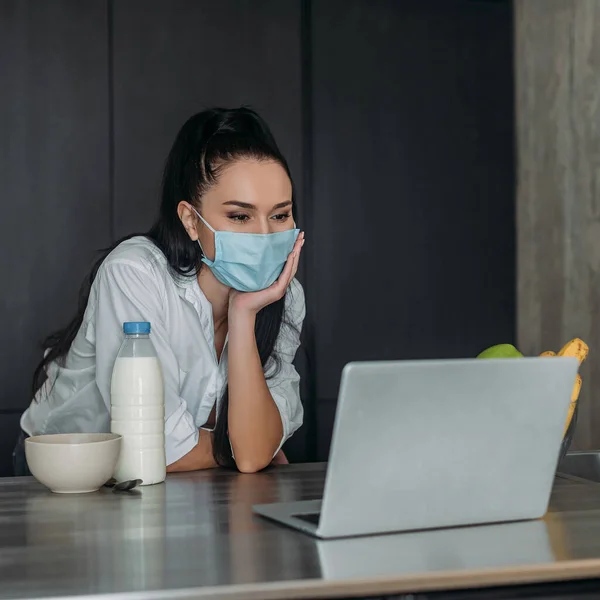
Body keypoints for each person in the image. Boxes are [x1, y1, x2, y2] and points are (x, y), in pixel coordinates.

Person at [15, 107, 305, 475]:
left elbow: (249, 457)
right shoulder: (134, 273)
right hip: (66, 475)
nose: (265, 236)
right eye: (239, 216)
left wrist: (243, 315)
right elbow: (156, 448)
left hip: (179, 485)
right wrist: (240, 444)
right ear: (190, 220)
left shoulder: (283, 295)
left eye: (280, 215)